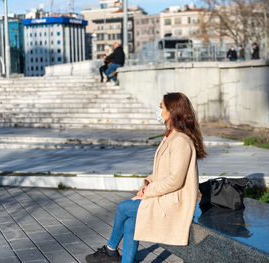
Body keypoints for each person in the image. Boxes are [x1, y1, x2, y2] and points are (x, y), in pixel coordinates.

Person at [85, 92, 207, 263]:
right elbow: (161, 172)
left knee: (124, 208)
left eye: (161, 107)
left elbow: (175, 180)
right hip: (164, 197)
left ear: (172, 112)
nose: (158, 110)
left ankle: (110, 251)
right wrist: (147, 184)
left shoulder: (180, 141)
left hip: (174, 204)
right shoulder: (171, 136)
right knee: (130, 225)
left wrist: (147, 192)